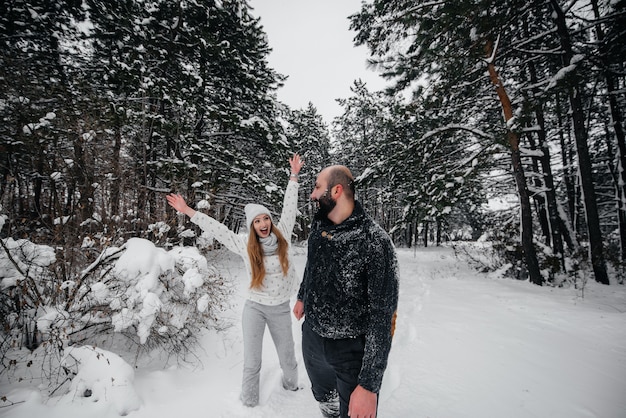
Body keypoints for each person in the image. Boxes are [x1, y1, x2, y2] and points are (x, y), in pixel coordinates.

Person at [166, 153, 304, 407]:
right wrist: (188, 211)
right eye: (257, 221)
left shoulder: (283, 234)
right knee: (252, 362)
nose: (263, 223)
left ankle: (292, 389)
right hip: (255, 308)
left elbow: (289, 206)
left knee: (287, 358)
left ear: (270, 222)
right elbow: (218, 230)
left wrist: (293, 176)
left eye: (265, 219)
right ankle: (249, 405)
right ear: (252, 226)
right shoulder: (245, 247)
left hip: (280, 308)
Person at [293, 165, 399, 418]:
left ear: (336, 190)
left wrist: (369, 385)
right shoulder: (319, 229)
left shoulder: (375, 242)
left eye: (318, 187)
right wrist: (302, 296)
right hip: (313, 339)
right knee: (325, 402)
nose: (313, 194)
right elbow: (312, 265)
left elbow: (383, 317)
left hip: (352, 352)